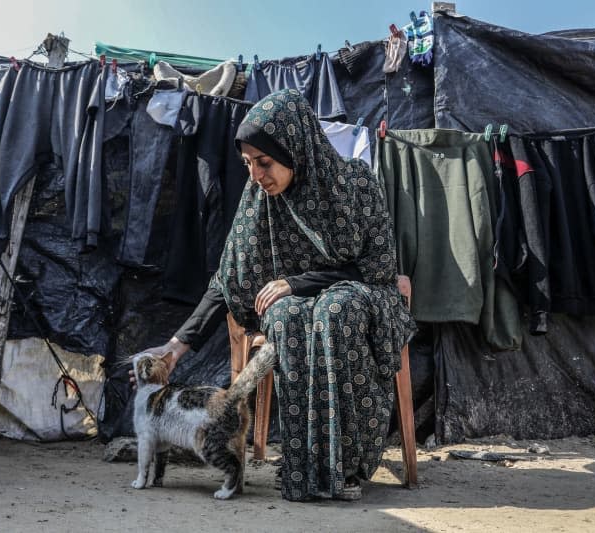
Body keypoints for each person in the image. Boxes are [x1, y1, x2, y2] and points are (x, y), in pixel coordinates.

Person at [131, 89, 415, 502]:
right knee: (284, 317)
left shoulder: (354, 183)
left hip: (363, 294)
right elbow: (229, 279)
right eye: (248, 164)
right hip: (300, 304)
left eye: (264, 162)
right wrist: (176, 348)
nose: (256, 175)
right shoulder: (259, 202)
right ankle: (305, 464)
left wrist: (300, 282)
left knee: (337, 309)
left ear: (296, 147)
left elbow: (378, 265)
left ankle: (345, 465)